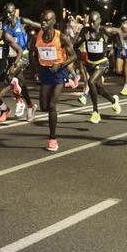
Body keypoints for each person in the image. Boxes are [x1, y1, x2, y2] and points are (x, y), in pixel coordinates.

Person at [33, 9, 76, 151]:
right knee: (44, 106)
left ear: (53, 22)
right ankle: (50, 116)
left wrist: (60, 65)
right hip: (45, 71)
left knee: (52, 105)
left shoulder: (61, 37)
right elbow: (33, 54)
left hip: (59, 71)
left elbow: (73, 56)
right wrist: (37, 71)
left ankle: (52, 139)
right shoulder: (37, 36)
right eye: (42, 20)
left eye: (46, 20)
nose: (43, 23)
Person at [76, 11, 122, 123]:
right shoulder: (85, 31)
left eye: (94, 22)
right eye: (90, 22)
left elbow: (119, 31)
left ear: (100, 20)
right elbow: (75, 46)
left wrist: (117, 47)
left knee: (91, 82)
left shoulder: (105, 30)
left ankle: (96, 112)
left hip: (102, 62)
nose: (91, 25)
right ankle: (113, 100)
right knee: (99, 89)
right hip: (90, 62)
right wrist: (84, 40)